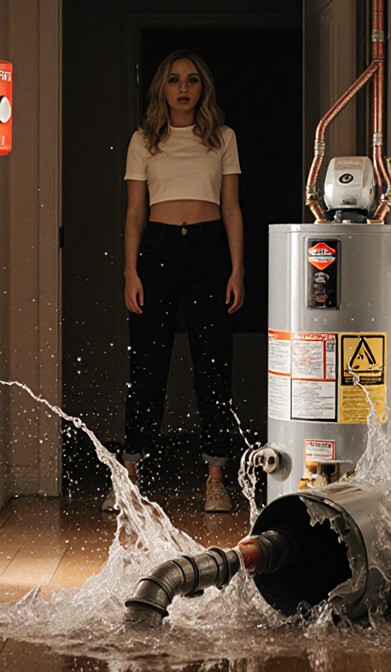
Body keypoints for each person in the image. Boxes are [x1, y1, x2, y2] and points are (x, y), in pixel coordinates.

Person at [103, 50, 245, 513]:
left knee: (213, 365)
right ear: (161, 88)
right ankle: (129, 475)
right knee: (148, 366)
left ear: (203, 88)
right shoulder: (144, 140)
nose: (183, 88)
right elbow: (135, 212)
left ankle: (216, 477)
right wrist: (131, 271)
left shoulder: (222, 137)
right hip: (158, 251)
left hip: (209, 251)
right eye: (174, 80)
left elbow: (231, 208)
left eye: (192, 80)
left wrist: (237, 269)